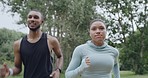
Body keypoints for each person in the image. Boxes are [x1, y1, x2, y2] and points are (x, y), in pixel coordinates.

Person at [0, 9, 63, 78]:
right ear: (27, 20)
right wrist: (9, 71)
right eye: (30, 17)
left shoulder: (51, 40)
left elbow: (60, 56)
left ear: (42, 21)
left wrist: (57, 70)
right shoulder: (18, 44)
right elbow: (18, 68)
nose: (32, 19)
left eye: (36, 17)